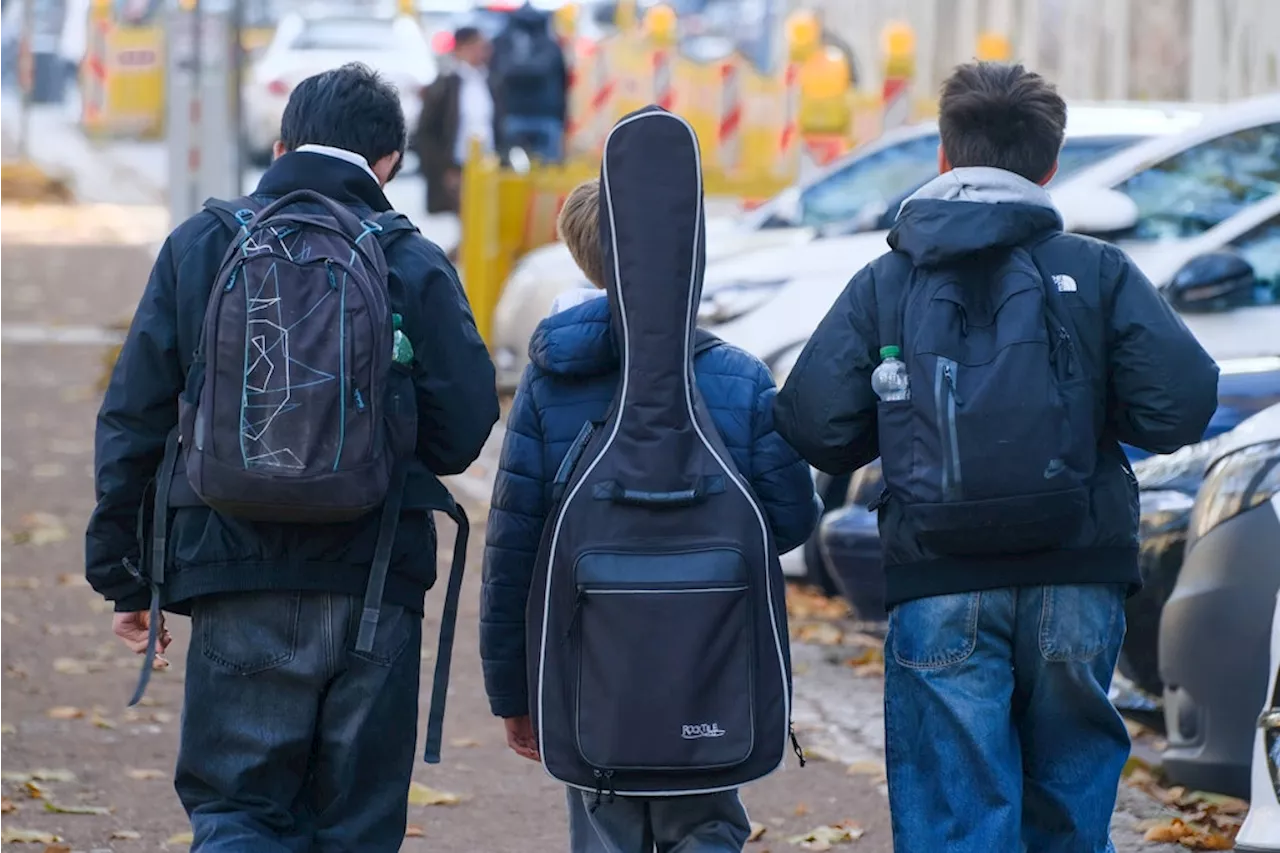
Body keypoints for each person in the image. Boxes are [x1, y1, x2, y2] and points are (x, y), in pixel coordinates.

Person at [774, 62, 1219, 853]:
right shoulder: (1099, 271)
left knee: (957, 815)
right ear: (1051, 166)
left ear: (944, 157)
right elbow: (1180, 405)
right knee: (1069, 811)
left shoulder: (888, 278)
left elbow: (814, 423)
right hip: (1077, 571)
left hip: (938, 576)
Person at [87, 63, 499, 851]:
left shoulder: (203, 243)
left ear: (281, 143)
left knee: (240, 811)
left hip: (230, 570)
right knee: (354, 826)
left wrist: (126, 571)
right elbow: (463, 429)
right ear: (390, 165)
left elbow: (133, 419)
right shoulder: (410, 260)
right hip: (373, 580)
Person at [480, 178, 820, 852]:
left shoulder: (551, 383)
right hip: (708, 665)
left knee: (604, 821)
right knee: (706, 825)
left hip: (589, 671)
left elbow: (514, 547)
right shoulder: (736, 376)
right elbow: (786, 522)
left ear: (580, 255)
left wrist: (512, 691)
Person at [416, 25, 503, 217]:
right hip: (456, 167)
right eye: (479, 46)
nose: (484, 52)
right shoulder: (445, 85)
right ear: (463, 47)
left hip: (487, 166)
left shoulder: (489, 81)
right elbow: (427, 131)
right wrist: (443, 170)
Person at [490, 2, 568, 163]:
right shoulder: (550, 45)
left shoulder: (503, 43)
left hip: (519, 113)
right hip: (541, 114)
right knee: (547, 174)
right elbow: (562, 81)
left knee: (511, 173)